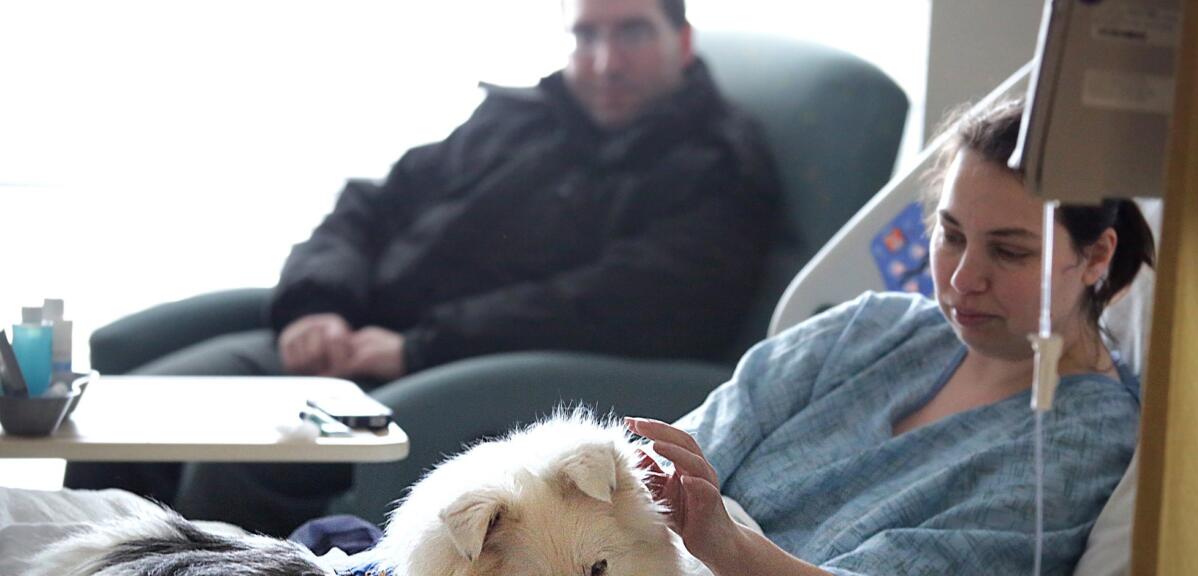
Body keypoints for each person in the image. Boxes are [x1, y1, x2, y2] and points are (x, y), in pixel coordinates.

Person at [64, 0, 780, 535]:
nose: (604, 60)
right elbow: (372, 203)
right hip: (348, 341)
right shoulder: (524, 116)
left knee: (235, 458)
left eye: (631, 32)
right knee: (123, 419)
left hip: (438, 376)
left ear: (681, 43)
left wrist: (416, 347)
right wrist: (319, 303)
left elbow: (621, 302)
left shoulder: (715, 165)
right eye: (586, 35)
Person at [628, 98, 1154, 576]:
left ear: (1095, 256)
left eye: (1009, 250)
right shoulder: (870, 330)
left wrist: (724, 543)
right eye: (952, 234)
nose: (964, 278)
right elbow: (691, 452)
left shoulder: (1082, 443)